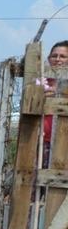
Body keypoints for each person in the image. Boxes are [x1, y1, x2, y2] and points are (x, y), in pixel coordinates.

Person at [40, 40, 68, 168]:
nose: (58, 59)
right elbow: (30, 100)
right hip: (42, 141)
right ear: (48, 58)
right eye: (54, 56)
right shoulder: (41, 81)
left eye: (63, 56)